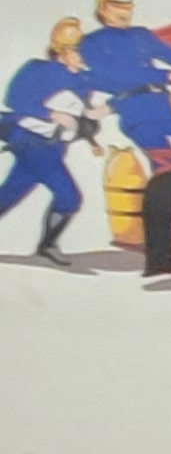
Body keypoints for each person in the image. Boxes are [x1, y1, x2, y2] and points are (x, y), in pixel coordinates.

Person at [2, 17, 97, 267]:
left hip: (54, 147)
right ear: (61, 51)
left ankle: (48, 245)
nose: (84, 56)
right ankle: (48, 245)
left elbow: (83, 112)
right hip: (31, 143)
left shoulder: (84, 80)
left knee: (9, 194)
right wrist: (52, 114)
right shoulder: (37, 69)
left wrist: (88, 124)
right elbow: (14, 100)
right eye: (78, 50)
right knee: (69, 198)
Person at [75, 0, 171, 155]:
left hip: (167, 106)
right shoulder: (91, 43)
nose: (125, 12)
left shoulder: (141, 34)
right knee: (164, 163)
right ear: (103, 8)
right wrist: (169, 76)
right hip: (135, 112)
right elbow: (120, 74)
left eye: (128, 7)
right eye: (117, 6)